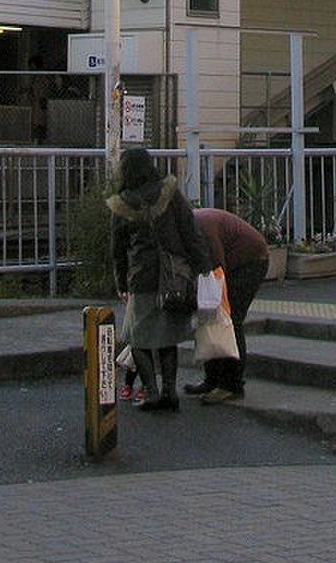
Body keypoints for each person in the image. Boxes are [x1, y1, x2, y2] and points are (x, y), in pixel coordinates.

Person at [107, 145, 210, 413]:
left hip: (141, 275)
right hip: (175, 274)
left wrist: (120, 281)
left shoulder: (122, 203)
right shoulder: (170, 192)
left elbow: (118, 249)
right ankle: (169, 392)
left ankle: (151, 391)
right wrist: (204, 267)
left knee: (136, 335)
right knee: (168, 334)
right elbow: (190, 230)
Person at [188, 206, 271, 405]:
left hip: (250, 261)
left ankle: (232, 385)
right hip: (228, 263)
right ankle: (212, 379)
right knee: (208, 318)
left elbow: (218, 270)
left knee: (230, 319)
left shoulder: (202, 229)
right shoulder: (187, 228)